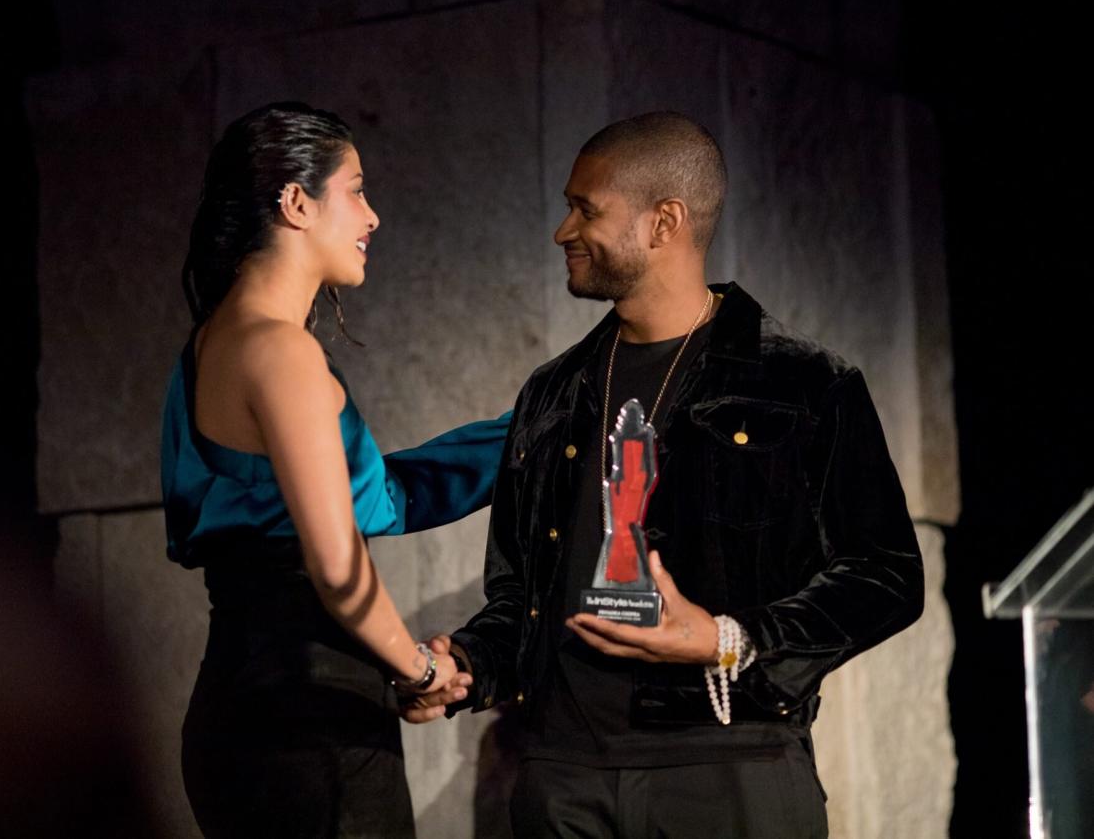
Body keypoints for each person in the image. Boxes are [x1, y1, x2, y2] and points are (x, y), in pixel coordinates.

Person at [405, 112, 924, 838]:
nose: (562, 230)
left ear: (664, 222)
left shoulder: (804, 385)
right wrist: (468, 665)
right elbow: (522, 594)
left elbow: (887, 576)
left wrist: (727, 638)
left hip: (725, 767)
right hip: (561, 777)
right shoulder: (553, 392)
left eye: (586, 208)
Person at [160, 102, 504, 838]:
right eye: (355, 189)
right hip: (311, 718)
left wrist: (525, 435)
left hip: (239, 705)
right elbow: (338, 566)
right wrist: (419, 670)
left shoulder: (209, 346)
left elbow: (364, 497)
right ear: (295, 201)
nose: (372, 216)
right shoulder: (280, 351)